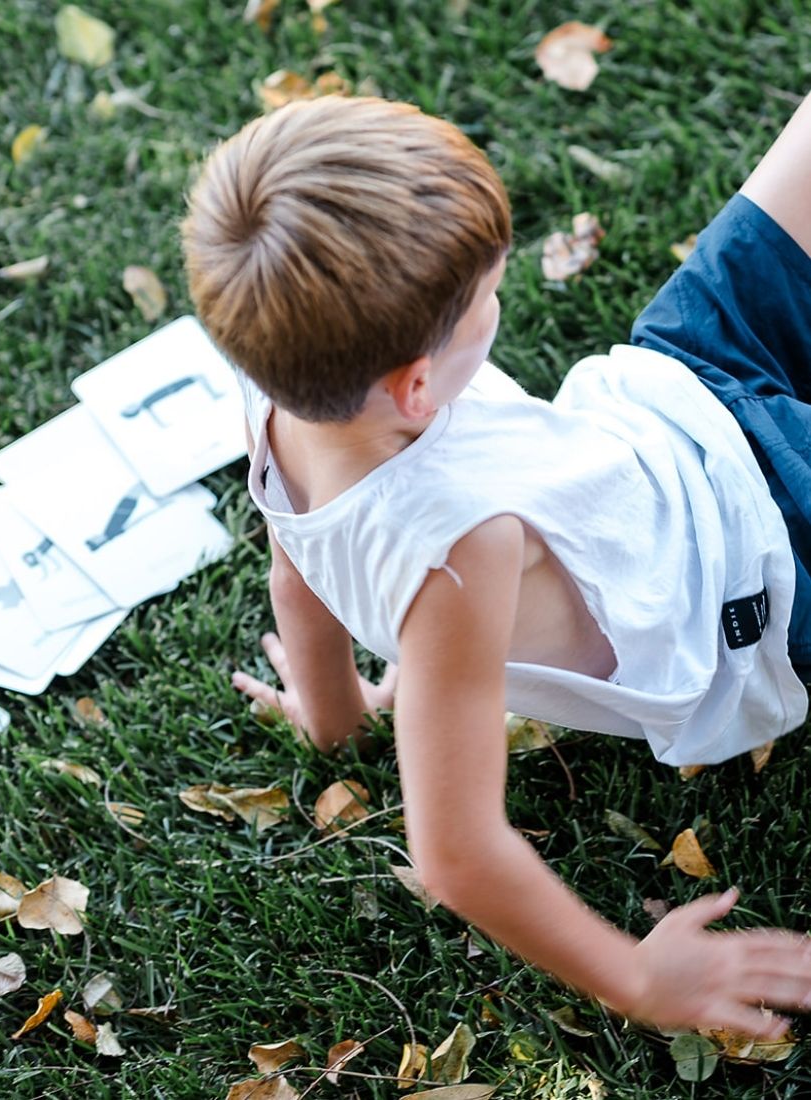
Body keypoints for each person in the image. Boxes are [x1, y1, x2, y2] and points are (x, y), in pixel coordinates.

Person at [181, 93, 811, 1039]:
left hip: (676, 392)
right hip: (766, 559)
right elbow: (458, 851)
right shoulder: (458, 546)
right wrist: (636, 979)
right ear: (418, 386)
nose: (497, 304)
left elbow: (295, 571)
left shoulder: (280, 407)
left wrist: (333, 717)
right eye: (487, 299)